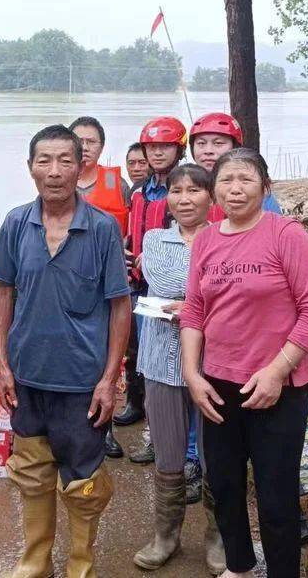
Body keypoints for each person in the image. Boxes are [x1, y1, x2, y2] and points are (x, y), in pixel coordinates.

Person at [181, 148, 308, 578]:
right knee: (224, 486)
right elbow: (194, 311)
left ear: (265, 187)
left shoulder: (286, 234)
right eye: (226, 180)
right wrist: (193, 374)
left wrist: (277, 371)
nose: (235, 188)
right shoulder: (207, 240)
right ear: (214, 191)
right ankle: (240, 566)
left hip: (278, 387)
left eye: (245, 179)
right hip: (218, 385)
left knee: (276, 493)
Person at [0, 124, 132, 578]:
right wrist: (3, 366)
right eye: (44, 161)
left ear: (81, 165)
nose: (54, 172)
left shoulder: (103, 228)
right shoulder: (15, 223)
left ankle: (80, 562)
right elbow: (3, 296)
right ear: (30, 167)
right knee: (31, 471)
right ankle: (35, 559)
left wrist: (110, 379)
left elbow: (119, 305)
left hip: (82, 382)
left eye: (64, 160)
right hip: (27, 377)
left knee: (84, 479)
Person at [133, 164, 214, 570]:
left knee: (218, 453)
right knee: (167, 453)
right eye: (176, 191)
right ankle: (166, 535)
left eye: (195, 191)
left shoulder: (225, 239)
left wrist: (194, 305)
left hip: (216, 362)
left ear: (210, 197)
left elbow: (227, 291)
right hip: (161, 359)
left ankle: (220, 538)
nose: (184, 199)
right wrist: (204, 298)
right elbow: (162, 282)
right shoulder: (154, 238)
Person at [118, 117, 188, 432]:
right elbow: (133, 231)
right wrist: (125, 246)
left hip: (169, 287)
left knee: (167, 355)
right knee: (135, 348)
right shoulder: (138, 192)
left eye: (164, 146)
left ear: (179, 148)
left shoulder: (183, 188)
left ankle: (162, 428)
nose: (157, 153)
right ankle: (137, 403)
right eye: (151, 147)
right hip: (137, 281)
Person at [68, 116, 130, 460]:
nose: (86, 147)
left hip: (107, 283)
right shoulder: (58, 182)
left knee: (109, 354)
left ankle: (104, 427)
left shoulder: (116, 183)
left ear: (101, 147)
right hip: (69, 282)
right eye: (79, 141)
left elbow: (133, 224)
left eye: (92, 141)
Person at [190, 112, 281, 219]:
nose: (208, 151)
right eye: (201, 143)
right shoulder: (182, 186)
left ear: (235, 147)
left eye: (218, 143)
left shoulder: (255, 193)